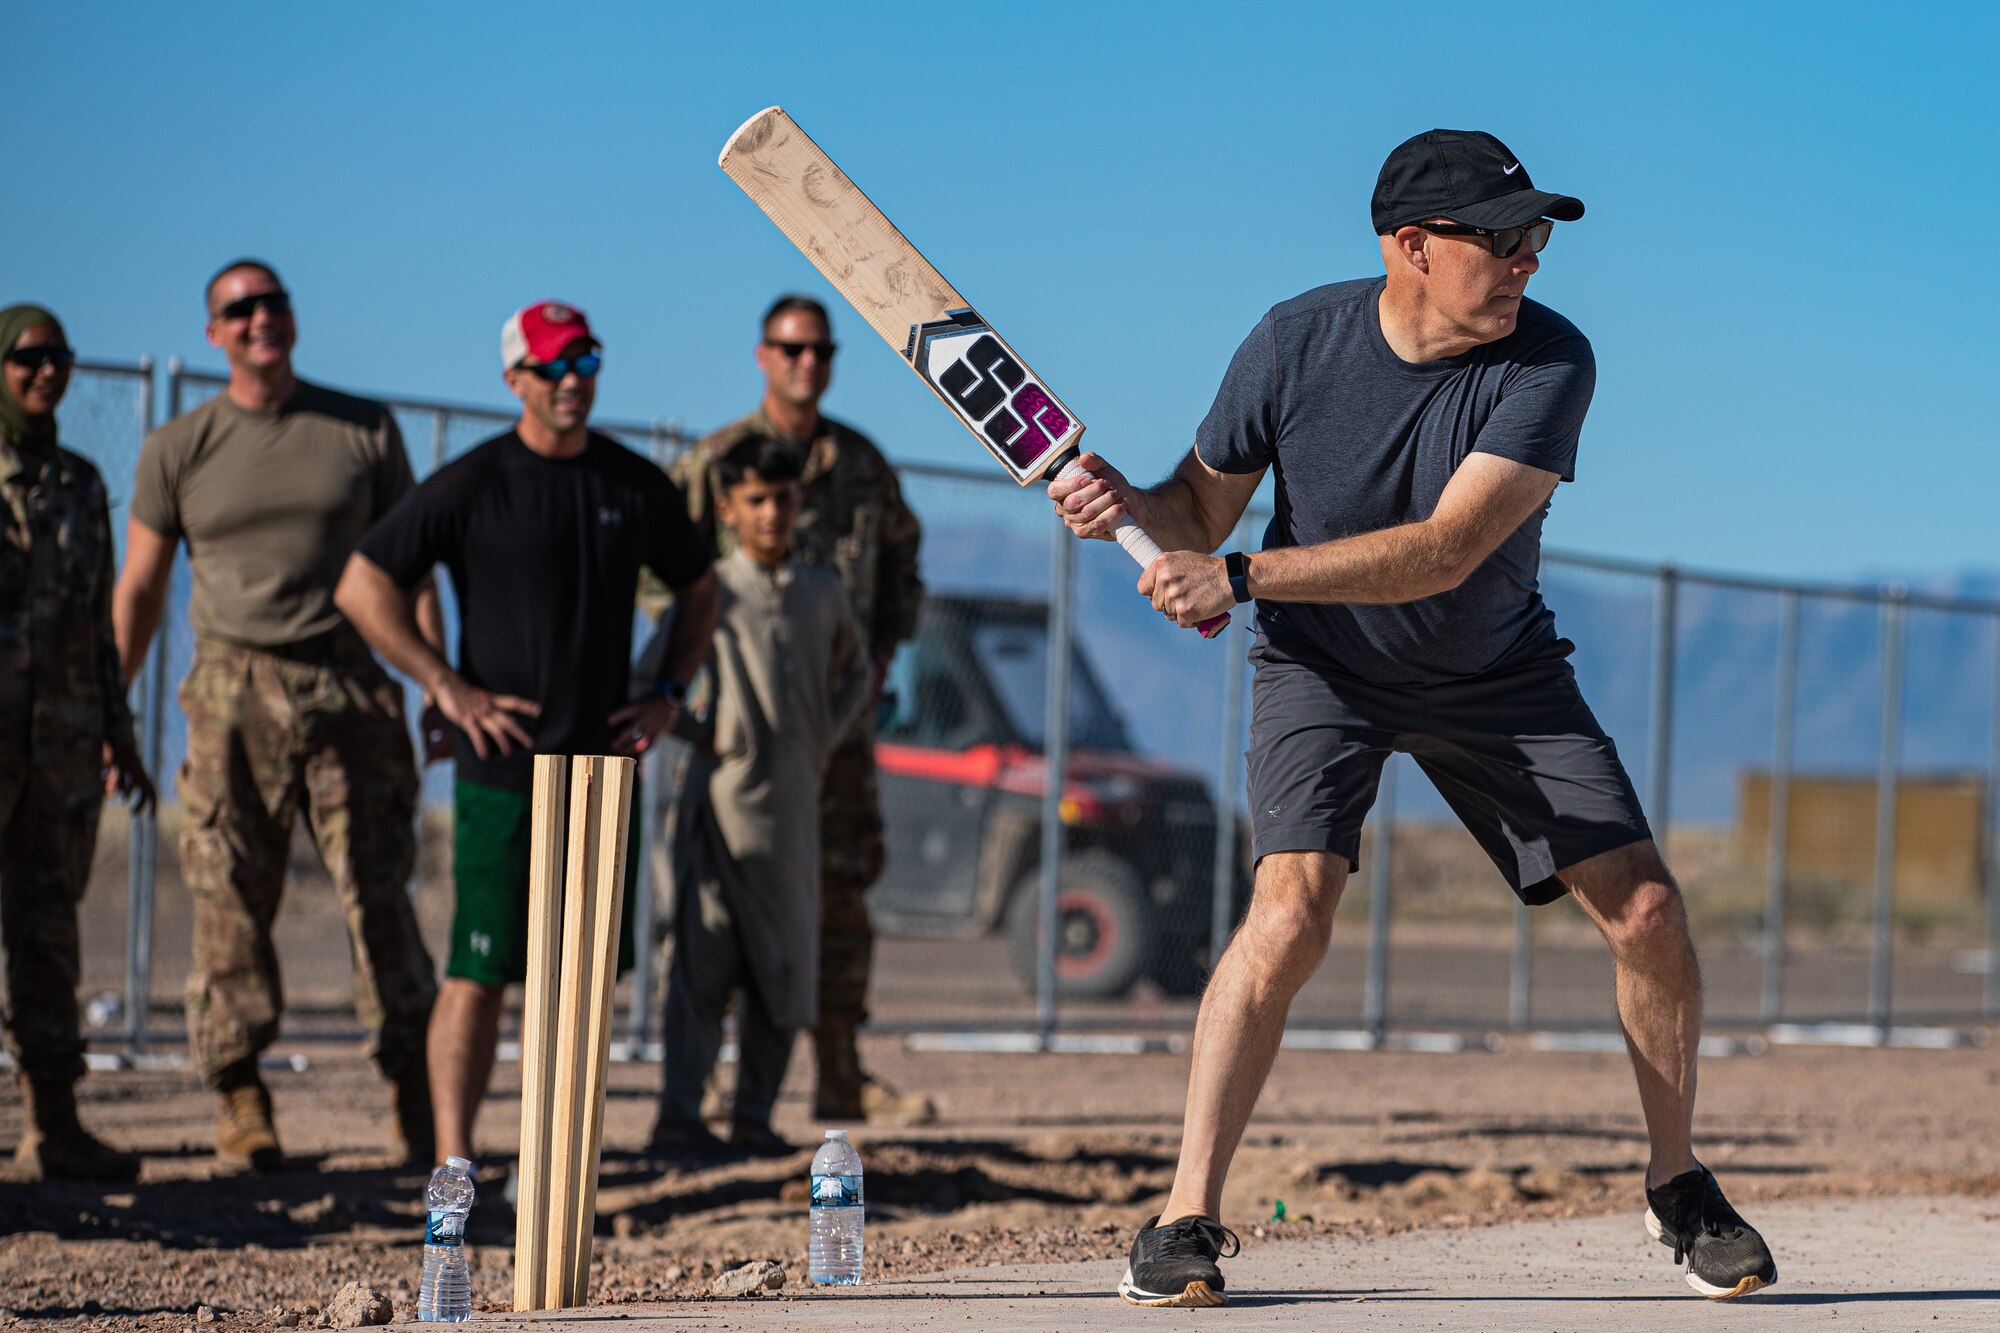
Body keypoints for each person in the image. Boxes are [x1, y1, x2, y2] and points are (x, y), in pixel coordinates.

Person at [1051, 130, 1778, 1306]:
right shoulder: (1294, 341)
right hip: (1321, 672)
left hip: (1493, 668)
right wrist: (1118, 502)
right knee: (1286, 920)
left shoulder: (1549, 361)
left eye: (1535, 238)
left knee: (1645, 908)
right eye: (1502, 239)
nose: (1527, 261)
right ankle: (1184, 1214)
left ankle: (1678, 1183)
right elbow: (1191, 506)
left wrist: (1233, 578)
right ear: (1412, 246)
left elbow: (1444, 550)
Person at [335, 299, 718, 1169]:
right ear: (515, 379)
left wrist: (665, 691)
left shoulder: (631, 483)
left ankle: (560, 1164)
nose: (573, 381)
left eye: (585, 363)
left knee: (579, 982)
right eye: (553, 367)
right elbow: (362, 585)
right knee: (481, 968)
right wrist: (445, 685)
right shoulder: (477, 481)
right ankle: (455, 1162)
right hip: (503, 772)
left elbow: (700, 590)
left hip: (601, 769)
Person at [113, 261, 439, 1173]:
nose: (261, 318)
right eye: (239, 309)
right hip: (231, 689)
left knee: (380, 892)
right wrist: (111, 709)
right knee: (229, 896)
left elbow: (410, 572)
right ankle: (240, 1093)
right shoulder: (178, 446)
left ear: (293, 320)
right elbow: (139, 588)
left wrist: (436, 686)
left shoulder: (363, 430)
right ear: (213, 332)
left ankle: (413, 1091)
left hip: (350, 681)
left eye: (274, 303)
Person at [667, 295, 928, 1126]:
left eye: (821, 350)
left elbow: (901, 568)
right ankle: (719, 1087)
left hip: (833, 736)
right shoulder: (713, 465)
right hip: (741, 738)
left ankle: (838, 1072)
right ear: (763, 354)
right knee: (721, 912)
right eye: (791, 349)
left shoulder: (862, 465)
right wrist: (699, 679)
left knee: (839, 899)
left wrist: (879, 657)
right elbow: (659, 578)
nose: (807, 363)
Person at [650, 435, 868, 1162]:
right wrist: (706, 732)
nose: (772, 512)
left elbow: (856, 673)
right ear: (727, 509)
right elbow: (650, 685)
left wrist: (820, 738)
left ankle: (754, 1118)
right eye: (756, 500)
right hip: (717, 812)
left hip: (793, 815)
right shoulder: (707, 589)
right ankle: (679, 1118)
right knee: (701, 965)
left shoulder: (821, 591)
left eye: (783, 497)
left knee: (783, 970)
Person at [1, 304, 154, 1181]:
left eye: (58, 357)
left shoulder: (82, 484)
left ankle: (53, 1125)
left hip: (59, 751)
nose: (46, 372)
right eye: (27, 358)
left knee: (49, 935)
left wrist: (118, 737)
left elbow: (100, 629)